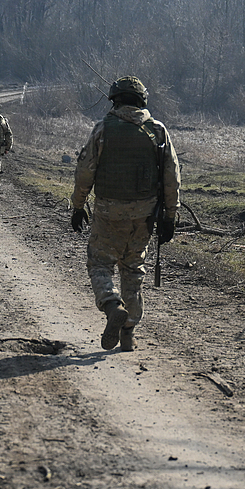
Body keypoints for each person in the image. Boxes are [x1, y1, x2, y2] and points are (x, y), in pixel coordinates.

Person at [70, 76, 181, 352]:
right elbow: (171, 176)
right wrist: (170, 216)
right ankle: (128, 331)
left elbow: (85, 171)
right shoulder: (157, 131)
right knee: (133, 270)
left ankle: (111, 304)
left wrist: (78, 205)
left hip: (108, 212)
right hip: (144, 215)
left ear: (115, 101)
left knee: (100, 264)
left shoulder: (103, 129)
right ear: (142, 100)